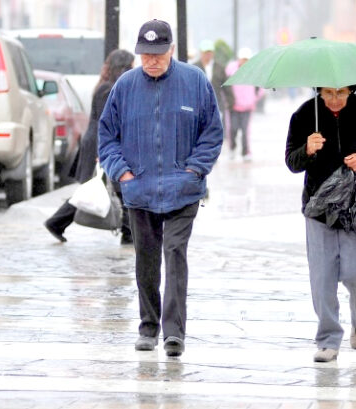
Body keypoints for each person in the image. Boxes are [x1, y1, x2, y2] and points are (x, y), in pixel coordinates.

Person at [98, 19, 223, 357]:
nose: (151, 60)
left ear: (171, 50)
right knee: (147, 260)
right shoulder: (124, 87)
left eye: (158, 53)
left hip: (184, 189)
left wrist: (196, 169)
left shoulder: (195, 82)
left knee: (175, 253)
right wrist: (122, 172)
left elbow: (212, 132)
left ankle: (174, 333)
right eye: (145, 54)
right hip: (139, 188)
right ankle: (148, 327)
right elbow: (106, 136)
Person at [285, 85, 356, 362]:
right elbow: (291, 162)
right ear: (319, 91)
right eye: (328, 93)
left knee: (355, 271)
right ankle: (328, 339)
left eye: (341, 93)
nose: (334, 100)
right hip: (318, 209)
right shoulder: (305, 114)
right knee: (322, 277)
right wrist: (307, 149)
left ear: (351, 91)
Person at [44, 49, 135, 244]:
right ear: (123, 68)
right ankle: (129, 233)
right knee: (112, 188)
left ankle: (57, 222)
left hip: (99, 143)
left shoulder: (107, 86)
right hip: (99, 145)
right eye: (131, 66)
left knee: (96, 189)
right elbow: (107, 123)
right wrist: (102, 152)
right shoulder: (109, 89)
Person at [225, 47, 264, 162]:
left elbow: (260, 88)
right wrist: (227, 100)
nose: (244, 61)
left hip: (247, 107)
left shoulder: (254, 71)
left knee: (245, 131)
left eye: (246, 59)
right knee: (233, 129)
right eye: (243, 59)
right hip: (233, 106)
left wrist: (253, 99)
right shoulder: (231, 69)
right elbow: (225, 86)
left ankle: (245, 151)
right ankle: (232, 148)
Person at [193, 39, 234, 120]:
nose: (208, 54)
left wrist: (230, 101)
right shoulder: (194, 68)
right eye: (206, 52)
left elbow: (226, 86)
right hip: (199, 106)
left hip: (217, 104)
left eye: (210, 52)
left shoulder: (220, 68)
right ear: (201, 52)